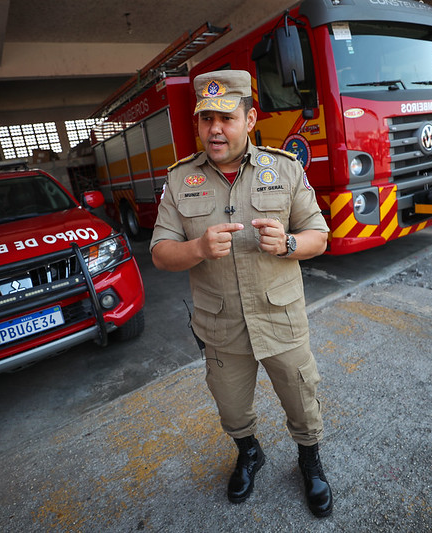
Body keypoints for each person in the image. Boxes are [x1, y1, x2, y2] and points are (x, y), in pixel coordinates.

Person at [149, 70, 333, 518]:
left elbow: (319, 235)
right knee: (231, 408)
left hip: (280, 319)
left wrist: (288, 243)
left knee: (302, 401)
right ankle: (249, 452)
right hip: (221, 325)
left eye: (226, 118)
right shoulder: (180, 180)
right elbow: (159, 253)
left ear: (249, 120)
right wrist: (197, 248)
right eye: (206, 118)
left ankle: (309, 460)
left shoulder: (285, 169)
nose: (215, 129)